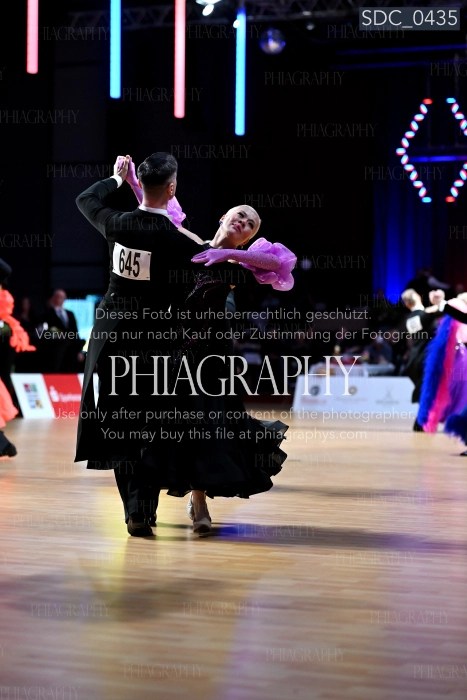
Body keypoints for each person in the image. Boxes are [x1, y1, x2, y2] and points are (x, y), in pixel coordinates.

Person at [125, 160, 296, 535]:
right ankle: (145, 504)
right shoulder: (189, 245)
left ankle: (199, 500)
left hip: (212, 360)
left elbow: (281, 264)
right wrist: (134, 182)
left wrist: (232, 255)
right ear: (223, 217)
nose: (243, 222)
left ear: (249, 237)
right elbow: (157, 215)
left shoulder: (241, 266)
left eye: (250, 224)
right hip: (174, 352)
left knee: (207, 429)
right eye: (240, 215)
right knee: (170, 427)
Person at [74, 152, 205, 537]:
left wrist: (117, 178)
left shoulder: (117, 224)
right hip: (155, 343)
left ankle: (135, 509)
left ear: (140, 184)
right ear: (172, 189)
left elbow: (85, 199)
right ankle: (144, 508)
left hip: (112, 339)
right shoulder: (178, 242)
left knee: (120, 425)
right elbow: (190, 293)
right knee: (154, 427)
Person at [400, 287, 444, 430]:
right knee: (427, 390)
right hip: (424, 359)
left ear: (407, 304)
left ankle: (421, 421)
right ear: (418, 296)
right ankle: (421, 422)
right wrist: (438, 299)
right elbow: (439, 309)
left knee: (425, 390)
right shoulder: (424, 315)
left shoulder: (409, 319)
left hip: (414, 360)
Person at [40, 289, 85, 372]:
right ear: (53, 298)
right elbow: (45, 331)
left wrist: (79, 350)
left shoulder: (70, 314)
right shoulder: (47, 313)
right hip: (56, 351)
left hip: (71, 351)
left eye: (62, 297)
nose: (60, 299)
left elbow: (75, 332)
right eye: (58, 297)